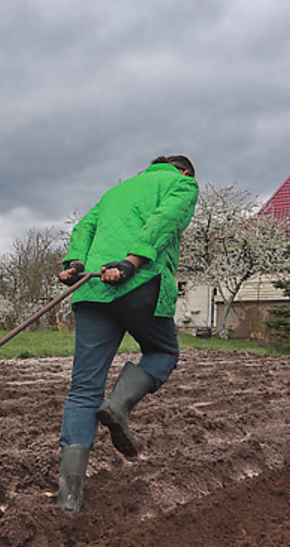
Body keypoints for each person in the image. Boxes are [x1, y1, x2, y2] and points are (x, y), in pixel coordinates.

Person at [54, 155, 198, 516]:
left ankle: (69, 496)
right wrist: (132, 261)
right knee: (163, 353)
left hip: (91, 290)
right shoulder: (182, 183)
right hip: (138, 282)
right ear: (183, 171)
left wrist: (75, 262)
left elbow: (84, 227)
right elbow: (165, 221)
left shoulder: (115, 191)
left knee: (84, 388)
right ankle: (118, 404)